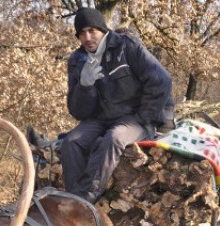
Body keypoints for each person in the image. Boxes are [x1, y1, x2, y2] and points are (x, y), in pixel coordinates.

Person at [60, 7, 174, 203]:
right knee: (71, 142)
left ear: (102, 30)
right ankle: (73, 198)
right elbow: (77, 111)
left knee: (115, 137)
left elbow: (161, 80)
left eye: (92, 31)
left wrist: (144, 118)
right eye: (81, 33)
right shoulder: (77, 61)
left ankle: (85, 199)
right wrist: (84, 87)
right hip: (101, 118)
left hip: (136, 117)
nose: (87, 38)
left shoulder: (127, 46)